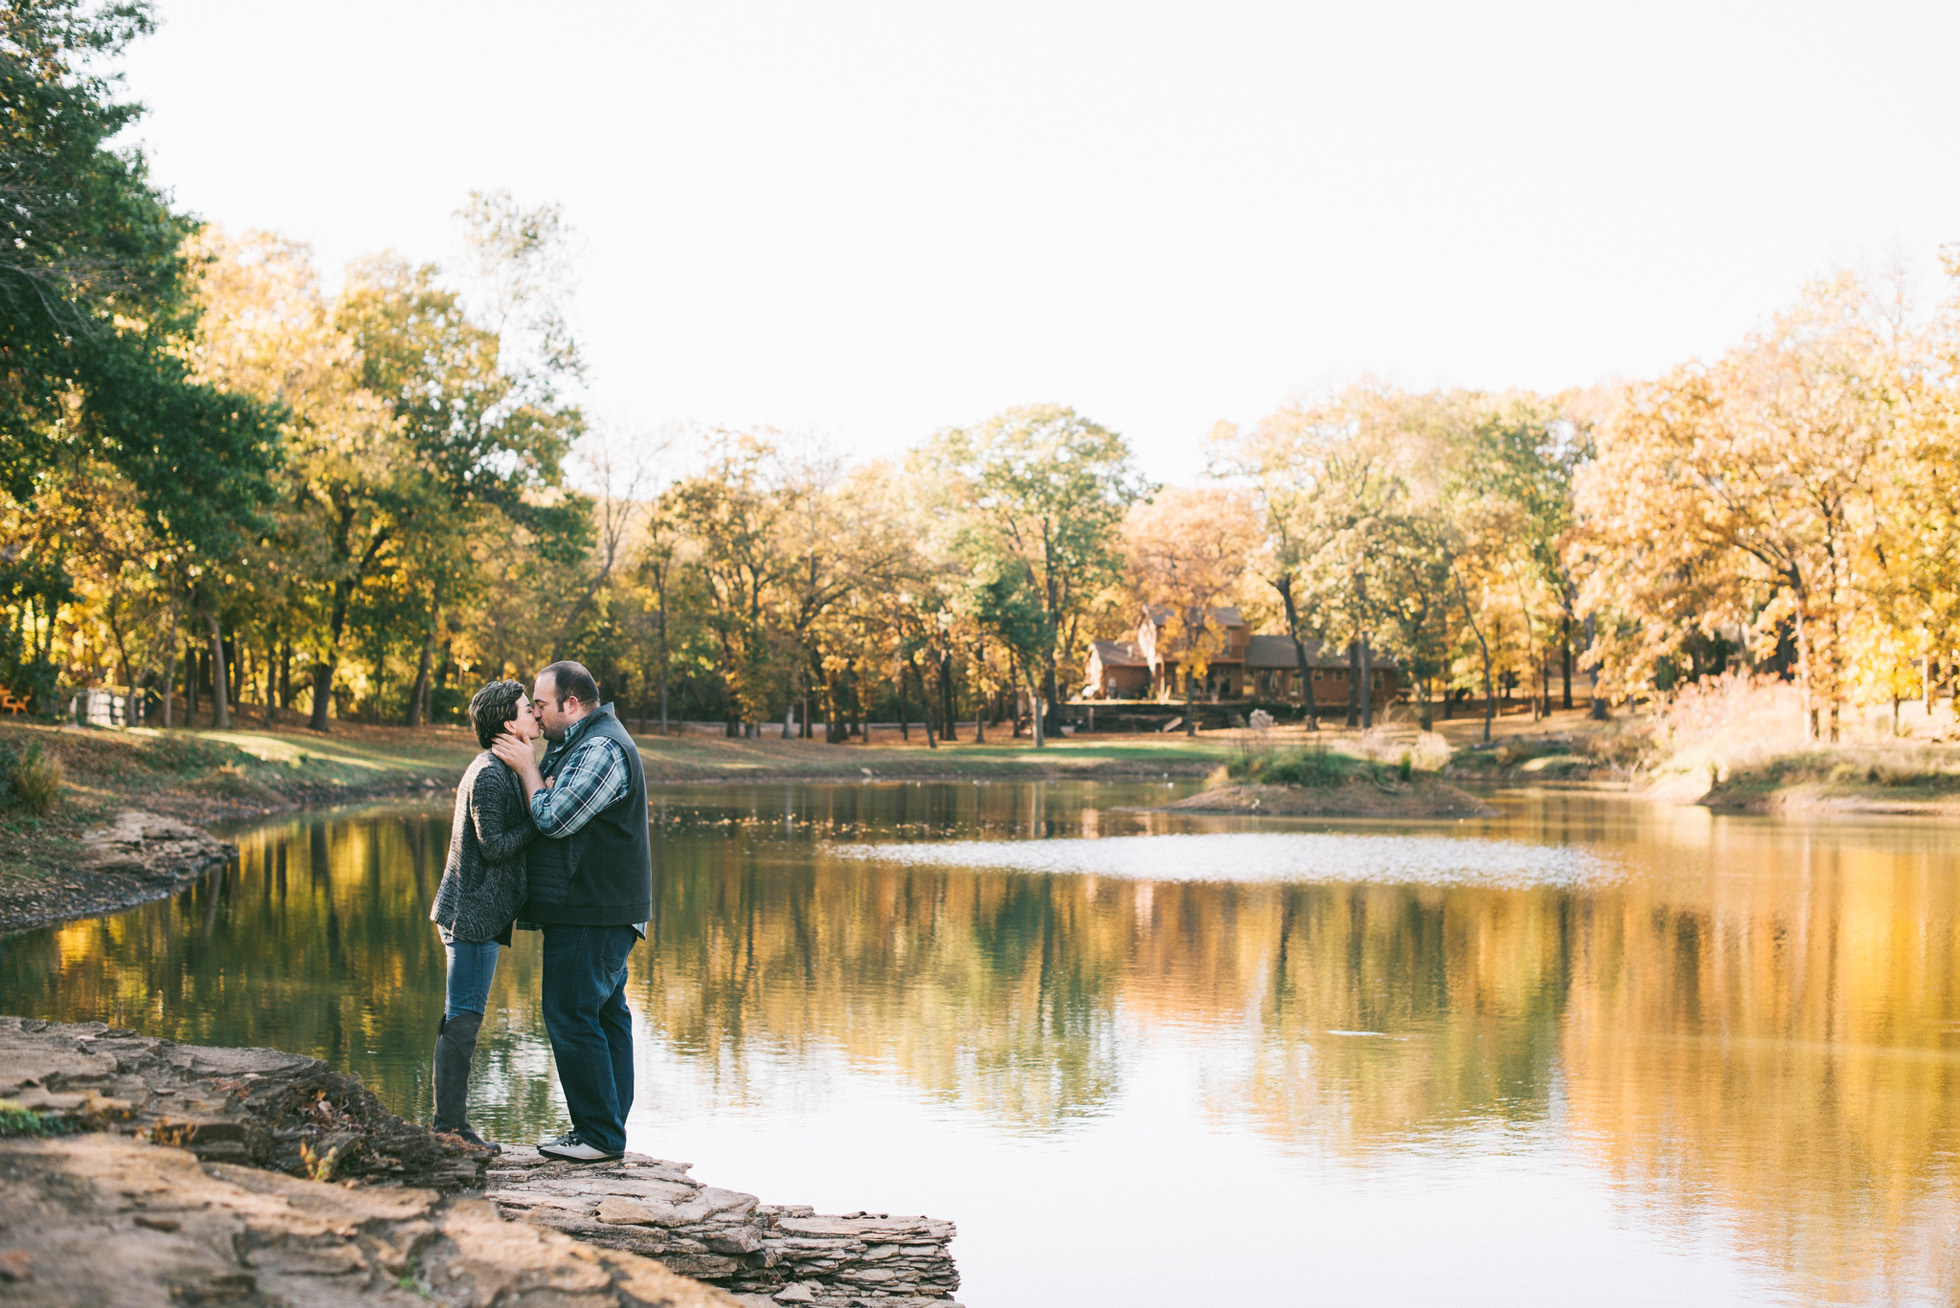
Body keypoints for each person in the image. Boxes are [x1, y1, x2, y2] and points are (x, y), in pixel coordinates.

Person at [491, 659, 651, 1163]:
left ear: (572, 704)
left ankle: (599, 1136)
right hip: (597, 908)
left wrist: (526, 768)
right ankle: (606, 1129)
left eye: (541, 705)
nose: (536, 715)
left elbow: (554, 817)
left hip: (593, 910)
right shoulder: (580, 743)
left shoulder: (602, 747)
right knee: (605, 1016)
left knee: (570, 1013)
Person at [427, 678, 541, 1150]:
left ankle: (448, 1124)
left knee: (461, 1016)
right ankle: (450, 1129)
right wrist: (541, 816)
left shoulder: (499, 767)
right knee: (463, 1021)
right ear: (508, 723)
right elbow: (494, 848)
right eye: (527, 708)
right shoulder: (491, 775)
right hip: (471, 917)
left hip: (475, 915)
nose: (536, 713)